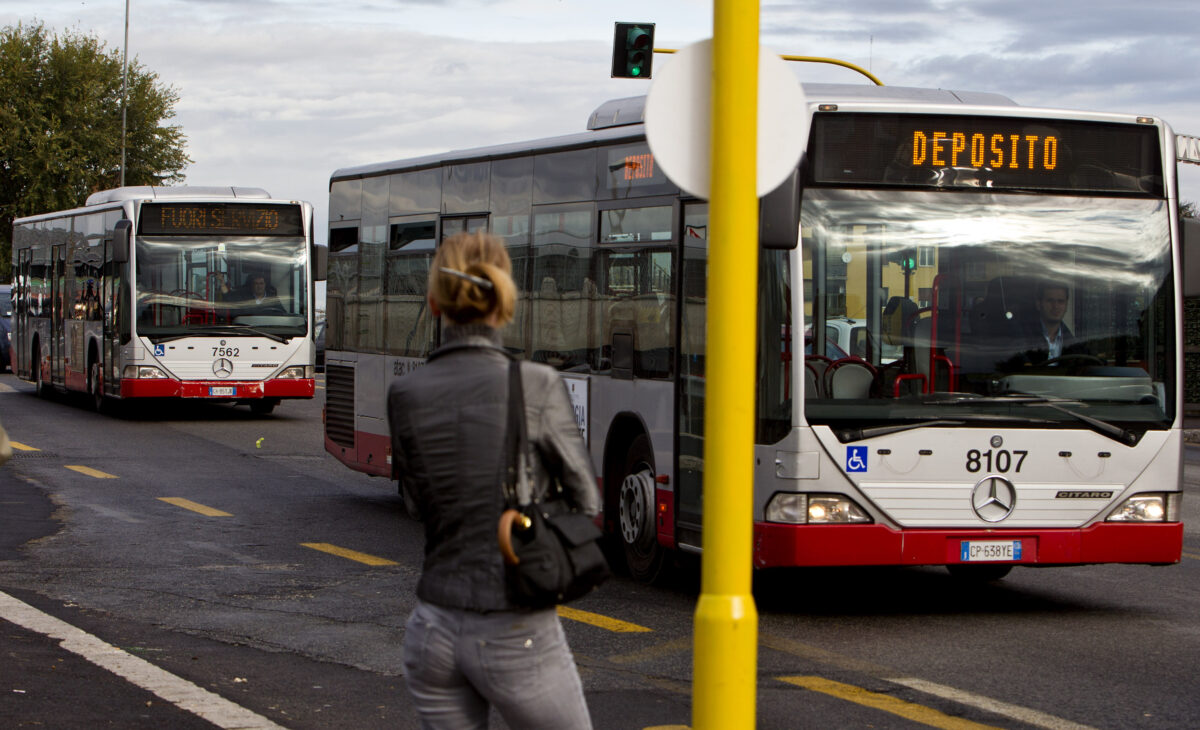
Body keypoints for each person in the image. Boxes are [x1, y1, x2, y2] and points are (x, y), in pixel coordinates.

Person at [387, 231, 599, 730]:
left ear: (434, 301)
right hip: (515, 626)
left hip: (432, 627)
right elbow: (586, 496)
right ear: (505, 299)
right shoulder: (535, 384)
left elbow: (418, 504)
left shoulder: (405, 392)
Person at [1026, 280, 1074, 361]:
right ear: (1038, 304)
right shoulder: (1022, 337)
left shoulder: (1074, 344)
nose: (1055, 306)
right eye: (1050, 301)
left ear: (1066, 306)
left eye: (1060, 301)